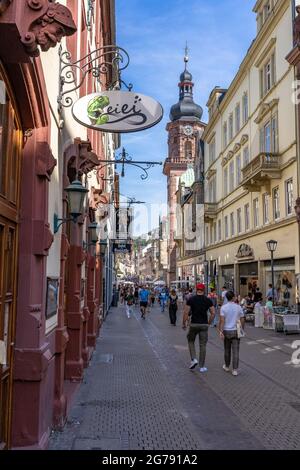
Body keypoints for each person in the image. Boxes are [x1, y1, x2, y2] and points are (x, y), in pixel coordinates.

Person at [182, 283, 215, 373]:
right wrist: (209, 323)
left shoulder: (191, 299)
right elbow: (213, 313)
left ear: (196, 290)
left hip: (194, 324)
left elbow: (186, 312)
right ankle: (202, 366)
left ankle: (194, 359)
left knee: (190, 340)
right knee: (203, 345)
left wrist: (184, 323)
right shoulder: (208, 300)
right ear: (204, 290)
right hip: (204, 324)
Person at [218, 291, 245, 376]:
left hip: (226, 330)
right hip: (236, 331)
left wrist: (221, 331)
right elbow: (242, 319)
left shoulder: (223, 308)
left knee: (227, 349)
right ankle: (235, 370)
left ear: (226, 297)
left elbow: (222, 321)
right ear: (233, 297)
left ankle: (226, 366)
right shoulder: (238, 307)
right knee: (236, 350)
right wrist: (242, 329)